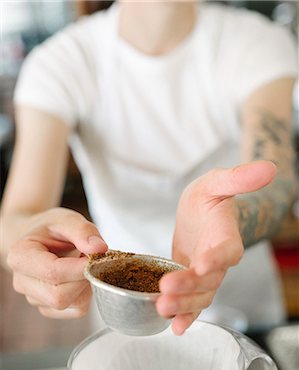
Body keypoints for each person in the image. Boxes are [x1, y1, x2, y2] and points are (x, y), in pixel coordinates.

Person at [0, 0, 297, 336]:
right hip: (125, 321)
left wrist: (233, 216)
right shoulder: (59, 63)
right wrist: (32, 241)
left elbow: (277, 183)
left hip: (246, 317)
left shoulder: (257, 42)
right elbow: (16, 218)